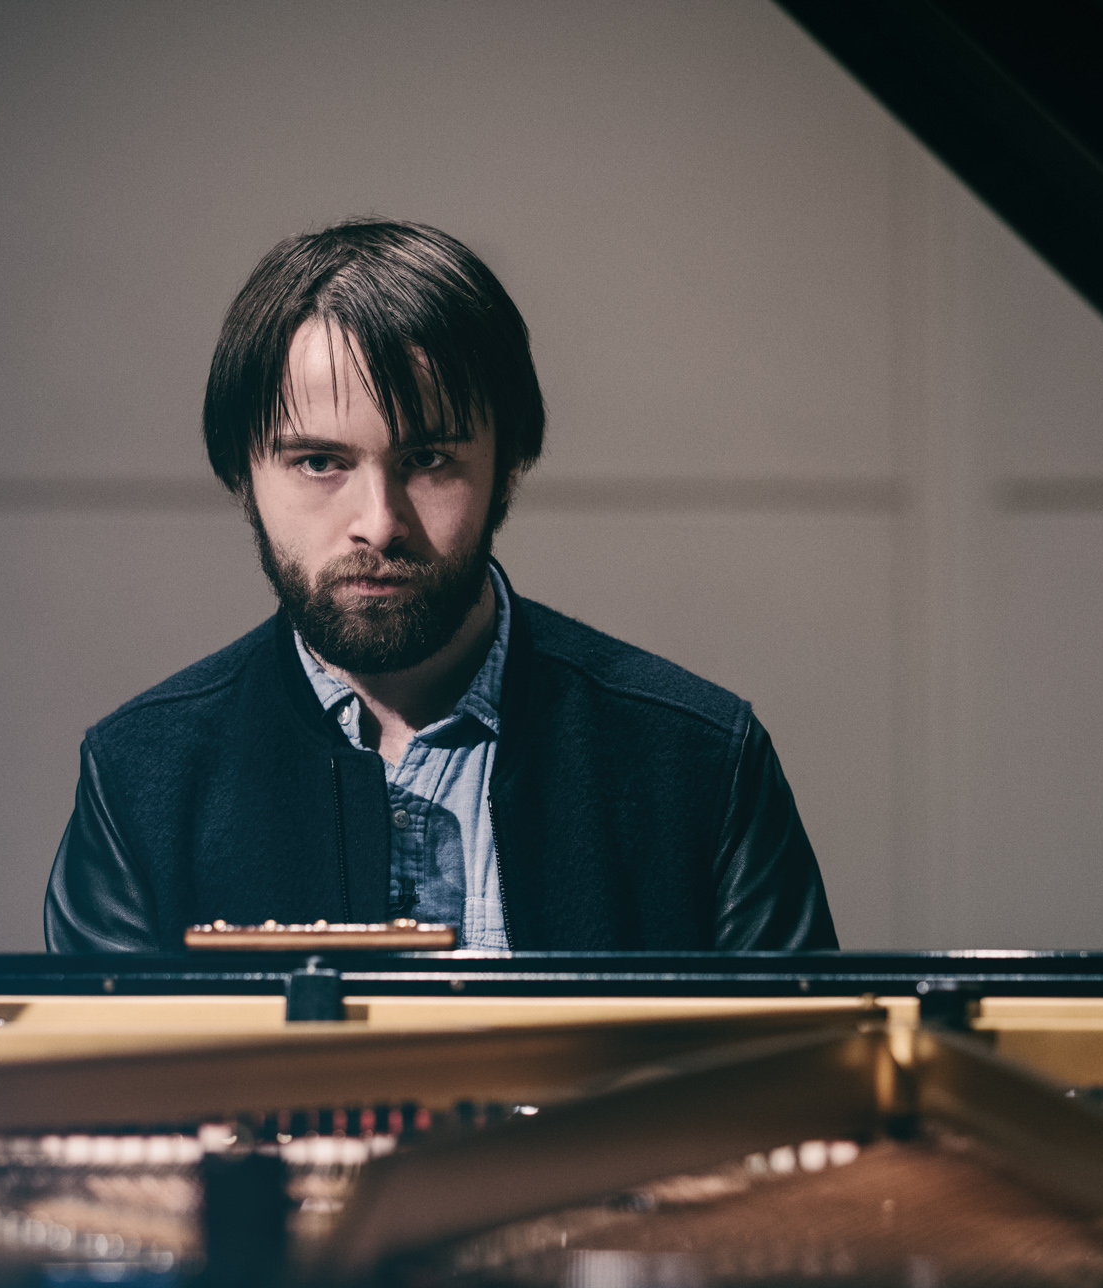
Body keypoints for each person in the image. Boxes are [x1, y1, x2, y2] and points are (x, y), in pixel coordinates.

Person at [45, 219, 834, 953]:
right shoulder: (139, 779)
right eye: (318, 462)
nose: (379, 523)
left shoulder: (700, 762)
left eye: (427, 460)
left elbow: (800, 1060)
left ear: (509, 466)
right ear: (240, 474)